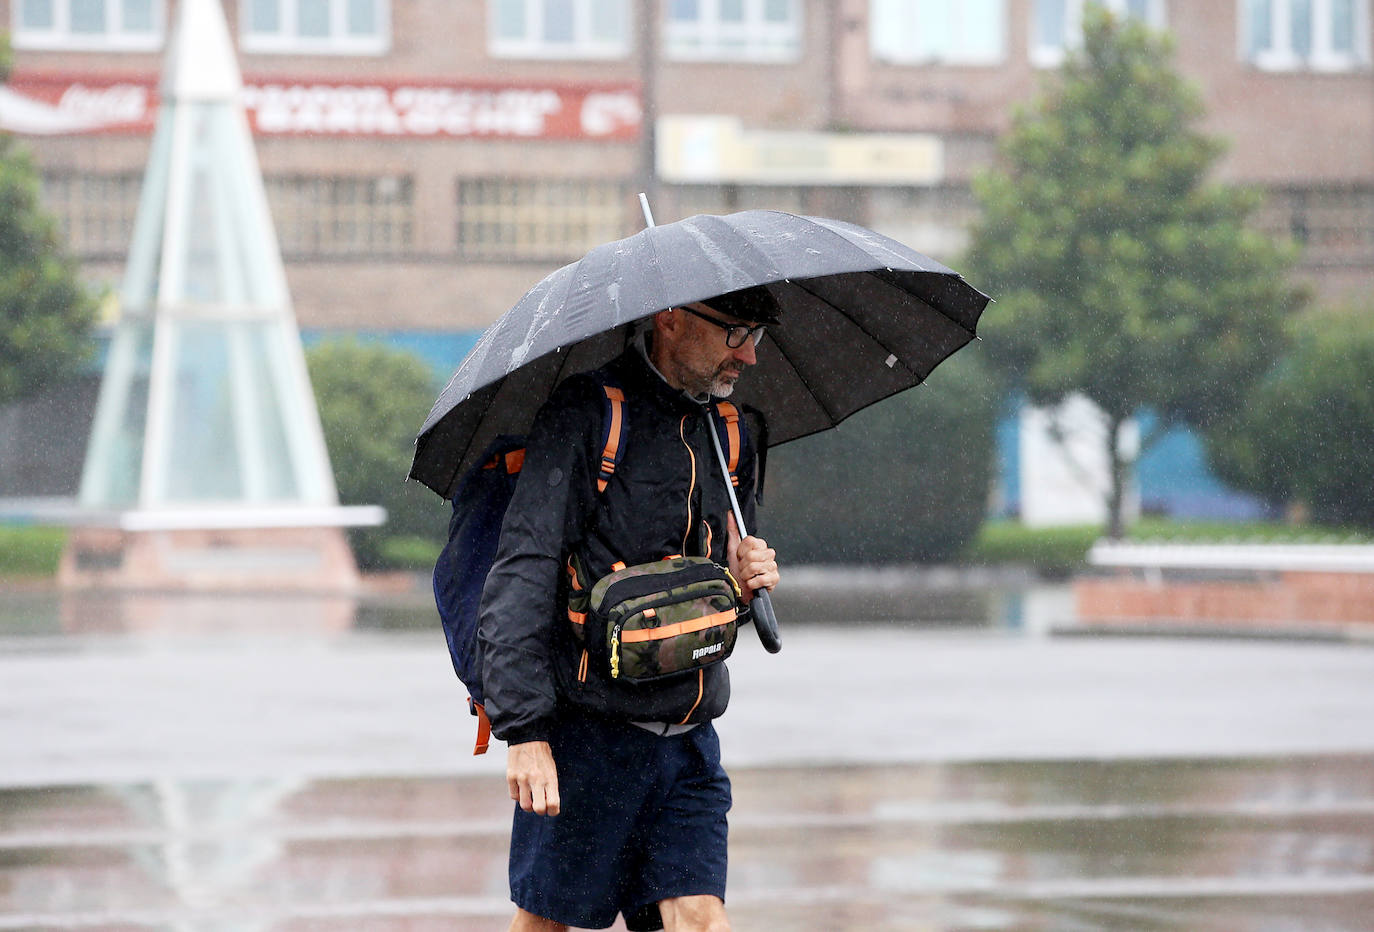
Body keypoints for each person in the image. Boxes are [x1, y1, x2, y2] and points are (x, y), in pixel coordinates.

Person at [477, 285, 783, 932]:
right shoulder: (586, 414)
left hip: (689, 743)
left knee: (701, 918)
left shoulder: (731, 432)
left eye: (757, 335)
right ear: (670, 318)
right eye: (735, 333)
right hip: (585, 741)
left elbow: (717, 587)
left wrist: (743, 578)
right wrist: (523, 732)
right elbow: (523, 571)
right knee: (545, 924)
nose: (749, 357)